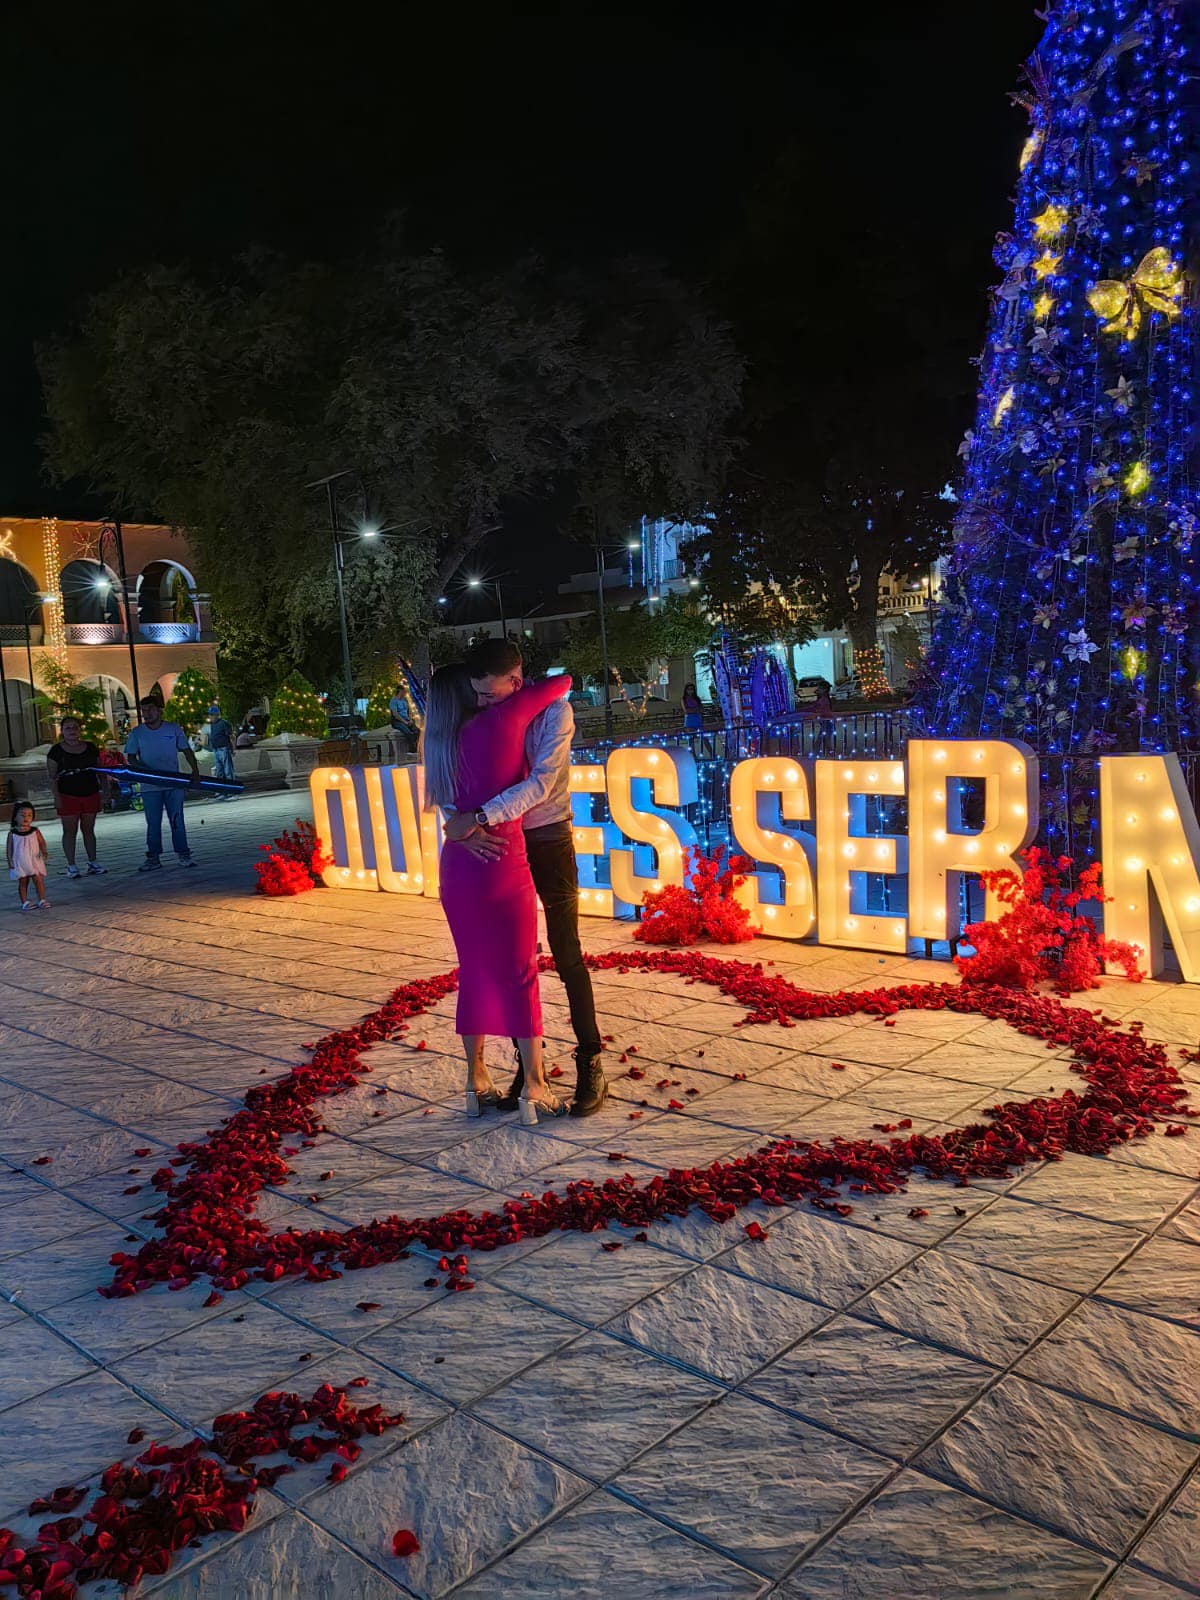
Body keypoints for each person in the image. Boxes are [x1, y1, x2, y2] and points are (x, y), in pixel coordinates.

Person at [443, 638, 608, 1118]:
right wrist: (465, 823)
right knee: (515, 959)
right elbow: (457, 779)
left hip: (548, 837)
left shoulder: (554, 711)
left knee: (567, 951)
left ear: (515, 682)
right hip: (499, 842)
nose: (485, 704)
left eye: (492, 695)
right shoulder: (479, 712)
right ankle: (527, 1069)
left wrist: (480, 816)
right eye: (479, 696)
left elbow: (540, 783)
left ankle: (590, 1060)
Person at [423, 664, 573, 1125]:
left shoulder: (437, 743)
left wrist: (466, 827)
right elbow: (560, 684)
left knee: (473, 971)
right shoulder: (499, 722)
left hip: (458, 864)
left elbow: (452, 814)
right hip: (503, 860)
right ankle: (534, 1085)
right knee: (520, 972)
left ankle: (476, 1080)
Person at [125, 697, 200, 871]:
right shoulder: (137, 733)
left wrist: (194, 771)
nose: (146, 714)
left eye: (150, 709)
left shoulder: (173, 729)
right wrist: (147, 771)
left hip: (173, 783)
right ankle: (153, 857)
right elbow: (131, 757)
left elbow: (186, 750)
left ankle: (183, 853)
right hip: (150, 785)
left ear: (159, 710)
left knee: (177, 820)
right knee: (153, 822)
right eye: (143, 710)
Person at [46, 715, 107, 878]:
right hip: (68, 795)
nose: (72, 731)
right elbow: (52, 776)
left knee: (89, 830)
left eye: (75, 727)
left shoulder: (90, 747)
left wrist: (105, 791)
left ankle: (93, 861)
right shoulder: (56, 751)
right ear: (62, 731)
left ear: (80, 729)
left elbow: (100, 771)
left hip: (90, 793)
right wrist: (56, 797)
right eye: (68, 728)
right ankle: (71, 865)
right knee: (69, 831)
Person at [7, 801, 49, 911]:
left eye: (29, 815)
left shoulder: (35, 831)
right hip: (20, 861)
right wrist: (10, 862)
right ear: (15, 817)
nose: (26, 817)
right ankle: (25, 902)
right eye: (22, 815)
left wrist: (44, 852)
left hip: (34, 859)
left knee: (38, 880)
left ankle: (42, 899)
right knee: (23, 881)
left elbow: (42, 842)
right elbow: (9, 849)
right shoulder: (12, 833)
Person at [205, 703, 236, 792]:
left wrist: (233, 749)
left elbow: (231, 737)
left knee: (228, 771)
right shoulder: (211, 725)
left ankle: (231, 791)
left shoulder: (224, 723)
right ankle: (222, 791)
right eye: (209, 715)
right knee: (219, 772)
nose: (210, 717)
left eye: (211, 715)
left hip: (224, 749)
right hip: (216, 750)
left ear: (217, 715)